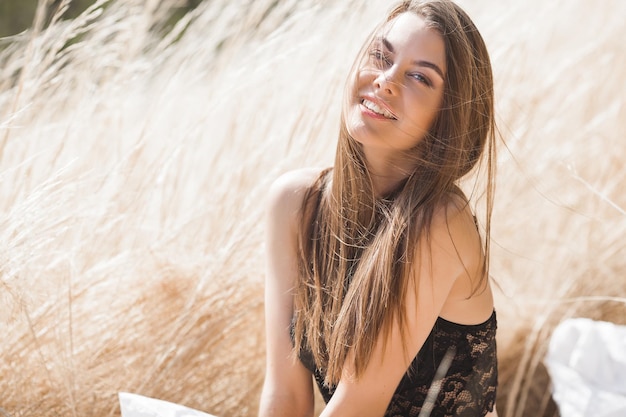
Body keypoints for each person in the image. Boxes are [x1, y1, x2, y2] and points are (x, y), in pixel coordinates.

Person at [259, 0, 498, 416]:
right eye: (380, 56)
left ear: (450, 115)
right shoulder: (294, 204)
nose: (385, 81)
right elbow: (285, 395)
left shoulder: (439, 221)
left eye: (419, 77)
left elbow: (360, 406)